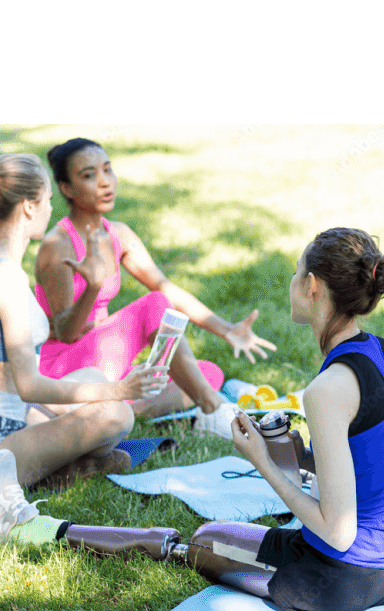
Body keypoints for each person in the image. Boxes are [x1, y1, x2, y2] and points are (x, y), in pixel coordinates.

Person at [1, 228, 384, 611]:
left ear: (312, 286)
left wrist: (262, 461)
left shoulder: (327, 390)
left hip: (343, 581)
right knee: (232, 532)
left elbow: (338, 534)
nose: (292, 281)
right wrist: (301, 456)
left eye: (297, 271)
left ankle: (57, 532)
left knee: (205, 542)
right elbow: (379, 460)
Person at [0, 153, 160, 535]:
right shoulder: (7, 277)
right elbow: (30, 385)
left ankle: (73, 464)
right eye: (45, 201)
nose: (49, 210)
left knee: (92, 379)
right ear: (28, 207)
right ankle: (63, 470)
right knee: (116, 414)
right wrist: (118, 389)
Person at [34, 138, 274, 432]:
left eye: (108, 170)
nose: (105, 182)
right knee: (154, 306)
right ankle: (213, 407)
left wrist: (227, 329)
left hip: (105, 363)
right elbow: (66, 333)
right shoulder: (57, 245)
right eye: (89, 175)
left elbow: (166, 286)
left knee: (206, 372)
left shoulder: (118, 234)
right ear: (66, 188)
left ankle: (123, 407)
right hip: (64, 371)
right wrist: (94, 286)